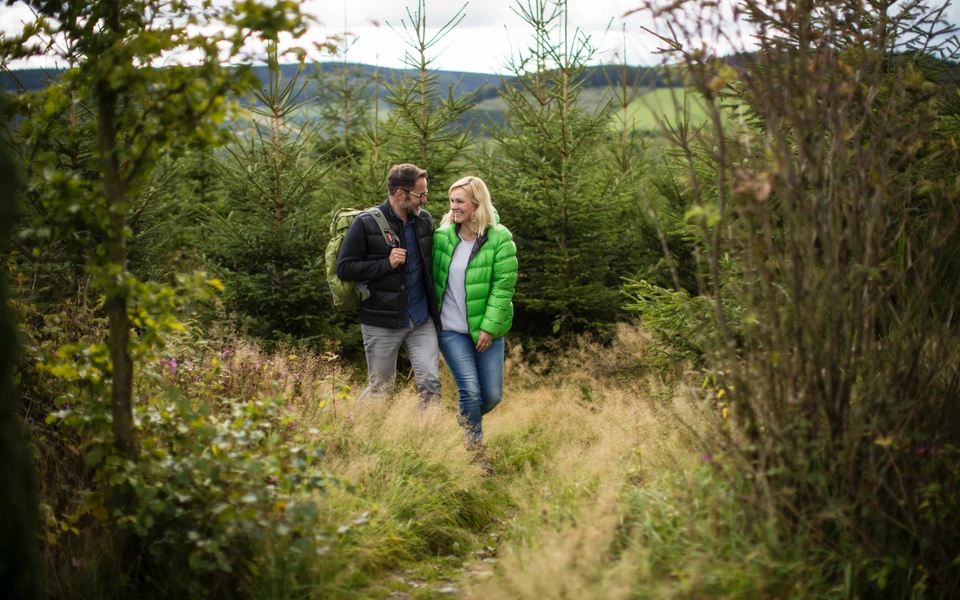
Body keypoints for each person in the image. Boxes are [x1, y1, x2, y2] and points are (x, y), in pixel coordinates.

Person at [336, 163, 441, 407]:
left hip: (420, 319)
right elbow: (345, 268)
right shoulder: (366, 223)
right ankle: (354, 431)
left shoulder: (424, 221)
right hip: (382, 322)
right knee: (381, 389)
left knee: (431, 384)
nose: (424, 200)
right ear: (401, 195)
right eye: (420, 195)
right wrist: (386, 264)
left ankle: (426, 439)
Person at [432, 176, 517, 474]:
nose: (453, 207)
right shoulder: (442, 237)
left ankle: (465, 421)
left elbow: (503, 287)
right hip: (451, 330)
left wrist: (489, 328)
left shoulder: (500, 238)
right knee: (469, 390)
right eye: (451, 201)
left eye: (460, 202)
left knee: (492, 395)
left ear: (477, 205)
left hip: (487, 330)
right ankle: (476, 454)